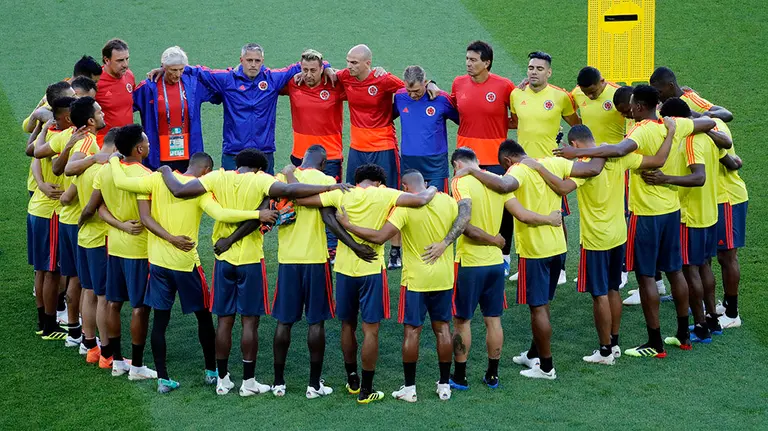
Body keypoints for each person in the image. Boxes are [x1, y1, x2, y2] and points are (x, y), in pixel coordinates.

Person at [158, 147, 352, 396]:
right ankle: (254, 383)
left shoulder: (218, 177)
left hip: (225, 259)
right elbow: (289, 196)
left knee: (226, 321)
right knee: (254, 322)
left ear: (237, 164)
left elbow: (180, 190)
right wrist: (330, 188)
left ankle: (226, 380)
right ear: (259, 168)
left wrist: (164, 169)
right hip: (256, 259)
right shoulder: (266, 180)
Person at [554, 85, 716, 358]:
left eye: (631, 105)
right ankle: (683, 334)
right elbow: (710, 121)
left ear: (640, 107)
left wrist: (575, 154)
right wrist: (675, 131)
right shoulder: (673, 123)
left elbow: (618, 150)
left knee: (646, 276)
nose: (628, 110)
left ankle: (655, 342)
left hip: (647, 213)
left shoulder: (640, 130)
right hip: (672, 209)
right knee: (676, 271)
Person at [108, 149, 268, 394]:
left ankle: (163, 379)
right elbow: (222, 215)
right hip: (186, 263)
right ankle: (211, 371)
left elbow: (120, 182)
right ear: (205, 171)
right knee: (203, 317)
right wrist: (258, 214)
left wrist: (112, 158)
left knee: (160, 321)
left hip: (159, 263)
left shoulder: (156, 178)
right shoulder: (199, 190)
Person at [526, 123, 677, 364]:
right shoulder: (619, 156)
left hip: (596, 239)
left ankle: (605, 351)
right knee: (613, 288)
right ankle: (614, 343)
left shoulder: (585, 165)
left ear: (574, 145)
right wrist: (670, 132)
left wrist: (538, 169)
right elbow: (658, 159)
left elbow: (564, 188)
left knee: (600, 295)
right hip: (619, 234)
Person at [295, 164, 438, 404]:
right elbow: (421, 199)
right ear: (379, 182)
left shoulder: (341, 193)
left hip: (343, 269)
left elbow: (302, 200)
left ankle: (352, 379)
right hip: (372, 270)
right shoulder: (385, 193)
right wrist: (433, 187)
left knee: (347, 326)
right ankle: (366, 389)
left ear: (357, 180)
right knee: (370, 330)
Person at [456, 142, 598, 380]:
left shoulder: (517, 171)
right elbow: (592, 169)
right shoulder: (552, 163)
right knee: (544, 304)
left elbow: (503, 186)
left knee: (538, 308)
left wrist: (472, 170)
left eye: (504, 165)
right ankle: (533, 353)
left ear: (508, 161)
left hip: (535, 251)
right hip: (558, 248)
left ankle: (546, 367)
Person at [334, 169, 465, 402]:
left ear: (404, 188)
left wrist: (348, 226)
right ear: (424, 182)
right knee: (443, 329)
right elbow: (464, 221)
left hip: (415, 280)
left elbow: (378, 237)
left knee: (412, 331)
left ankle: (409, 388)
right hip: (444, 278)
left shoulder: (404, 208)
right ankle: (444, 385)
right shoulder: (446, 200)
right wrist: (446, 242)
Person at [448, 147, 563, 385]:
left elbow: (465, 221)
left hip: (469, 262)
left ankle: (459, 377)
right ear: (477, 161)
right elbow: (522, 214)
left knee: (462, 321)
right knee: (493, 320)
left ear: (457, 165)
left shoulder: (460, 182)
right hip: (496, 263)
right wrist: (550, 219)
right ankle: (492, 375)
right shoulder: (498, 181)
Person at [269, 146, 369, 399]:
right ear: (323, 163)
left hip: (287, 259)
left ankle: (278, 382)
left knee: (284, 321)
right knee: (316, 322)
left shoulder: (282, 178)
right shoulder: (326, 181)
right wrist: (354, 245)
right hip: (315, 259)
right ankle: (314, 385)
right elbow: (329, 220)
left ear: (302, 159)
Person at [643, 98, 740, 343]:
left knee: (690, 270)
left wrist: (665, 179)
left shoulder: (688, 141)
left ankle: (699, 326)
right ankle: (713, 320)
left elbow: (699, 178)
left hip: (690, 214)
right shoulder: (709, 137)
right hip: (709, 212)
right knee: (704, 265)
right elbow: (728, 157)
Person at [158, 43, 332, 173]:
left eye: (257, 60)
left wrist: (328, 69)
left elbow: (308, 63)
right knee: (229, 196)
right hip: (233, 152)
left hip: (264, 151)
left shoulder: (273, 79)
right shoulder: (226, 79)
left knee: (266, 200)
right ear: (241, 60)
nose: (253, 64)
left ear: (263, 61)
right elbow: (196, 71)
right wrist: (163, 69)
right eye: (249, 60)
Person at [79, 125, 157, 378]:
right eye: (145, 142)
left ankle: (116, 362)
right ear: (139, 148)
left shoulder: (106, 171)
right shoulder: (145, 176)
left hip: (114, 246)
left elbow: (98, 206)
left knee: (113, 303)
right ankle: (136, 366)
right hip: (139, 249)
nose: (148, 145)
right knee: (139, 308)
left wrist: (118, 225)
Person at [509, 51, 581, 285]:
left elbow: (576, 125)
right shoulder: (516, 94)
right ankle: (525, 263)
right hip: (524, 167)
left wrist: (568, 148)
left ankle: (559, 268)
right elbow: (517, 122)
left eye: (540, 69)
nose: (534, 72)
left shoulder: (561, 96)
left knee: (557, 215)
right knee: (523, 215)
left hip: (551, 167)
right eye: (531, 68)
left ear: (549, 72)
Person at [450, 40, 516, 276]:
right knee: (464, 205)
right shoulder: (458, 83)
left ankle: (504, 254)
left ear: (486, 63)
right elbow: (454, 109)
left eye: (473, 60)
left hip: (495, 159)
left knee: (502, 208)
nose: (468, 64)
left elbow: (517, 118)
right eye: (467, 59)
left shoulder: (504, 86)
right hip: (466, 158)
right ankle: (466, 252)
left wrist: (497, 125)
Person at [282, 49, 346, 260]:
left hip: (330, 156)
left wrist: (329, 66)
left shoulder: (335, 84)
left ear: (321, 69)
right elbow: (270, 77)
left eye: (313, 70)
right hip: (300, 156)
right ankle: (303, 243)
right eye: (305, 69)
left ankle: (331, 246)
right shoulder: (293, 83)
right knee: (299, 201)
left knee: (329, 201)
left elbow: (357, 81)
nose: (308, 74)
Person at [571, 67, 630, 288]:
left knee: (619, 212)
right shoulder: (577, 93)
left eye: (593, 92)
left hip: (615, 164)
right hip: (588, 163)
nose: (589, 96)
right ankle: (590, 266)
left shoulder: (618, 94)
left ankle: (621, 268)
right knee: (588, 213)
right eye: (586, 93)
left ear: (602, 82)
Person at [69, 130, 121, 368]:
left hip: (84, 238)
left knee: (88, 292)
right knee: (103, 298)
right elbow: (100, 207)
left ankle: (90, 346)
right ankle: (107, 355)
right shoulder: (106, 171)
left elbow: (67, 197)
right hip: (101, 239)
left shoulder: (83, 168)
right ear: (116, 148)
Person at [133, 46, 222, 171]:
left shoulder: (193, 85)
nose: (178, 74)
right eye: (173, 70)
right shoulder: (148, 87)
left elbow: (218, 94)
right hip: (157, 154)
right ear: (163, 67)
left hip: (188, 154)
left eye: (181, 69)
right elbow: (125, 107)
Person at [26, 98, 71, 339]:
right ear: (66, 117)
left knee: (43, 270)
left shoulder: (48, 133)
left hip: (38, 207)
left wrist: (41, 185)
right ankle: (50, 325)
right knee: (52, 272)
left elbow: (33, 158)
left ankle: (43, 321)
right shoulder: (61, 138)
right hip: (52, 212)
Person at [394, 66, 459, 192]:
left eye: (417, 91)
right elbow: (388, 116)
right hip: (409, 162)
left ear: (425, 83)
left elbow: (462, 121)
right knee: (411, 204)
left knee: (439, 203)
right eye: (409, 90)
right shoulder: (400, 97)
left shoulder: (441, 99)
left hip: (435, 164)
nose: (412, 95)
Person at [712, 121, 747, 329]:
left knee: (727, 256)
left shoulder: (710, 131)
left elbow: (732, 163)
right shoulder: (713, 121)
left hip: (727, 199)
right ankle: (726, 305)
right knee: (721, 255)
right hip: (717, 199)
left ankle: (733, 313)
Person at [649, 67, 733, 122]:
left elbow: (727, 114)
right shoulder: (663, 101)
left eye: (659, 92)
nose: (657, 96)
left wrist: (706, 116)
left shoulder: (690, 99)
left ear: (671, 86)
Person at [96, 39, 135, 145]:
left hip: (127, 141)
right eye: (120, 60)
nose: (125, 64)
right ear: (107, 60)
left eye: (127, 59)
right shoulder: (96, 81)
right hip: (105, 143)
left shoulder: (129, 75)